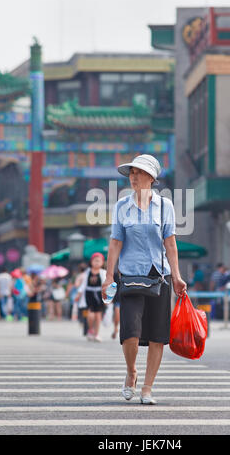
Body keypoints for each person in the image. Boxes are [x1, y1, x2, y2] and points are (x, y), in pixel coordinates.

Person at [102, 154, 187, 405]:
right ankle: (131, 372)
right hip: (130, 275)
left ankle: (147, 388)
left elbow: (170, 244)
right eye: (131, 173)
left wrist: (177, 276)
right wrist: (108, 276)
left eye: (139, 172)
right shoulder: (121, 207)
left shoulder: (165, 206)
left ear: (151, 178)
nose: (134, 177)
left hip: (158, 276)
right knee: (130, 331)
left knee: (157, 336)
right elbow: (115, 242)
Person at [76, 253, 106, 342]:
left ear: (102, 263)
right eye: (95, 260)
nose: (96, 263)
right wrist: (78, 294)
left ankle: (96, 334)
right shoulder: (87, 272)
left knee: (98, 315)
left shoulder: (103, 272)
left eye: (99, 261)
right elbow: (83, 284)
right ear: (91, 262)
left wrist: (107, 296)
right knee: (90, 314)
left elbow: (106, 285)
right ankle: (90, 329)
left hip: (100, 294)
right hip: (89, 294)